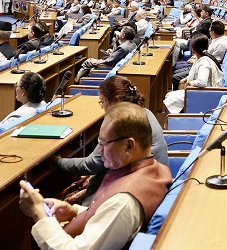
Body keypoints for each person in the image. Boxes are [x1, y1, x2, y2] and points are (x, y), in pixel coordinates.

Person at [21, 102, 172, 249]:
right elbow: (108, 218)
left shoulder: (123, 201)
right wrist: (74, 212)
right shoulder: (157, 169)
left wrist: (38, 213)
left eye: (104, 143)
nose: (100, 150)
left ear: (129, 146)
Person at [164, 33, 224, 113]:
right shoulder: (200, 57)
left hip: (202, 94)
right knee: (169, 95)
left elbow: (202, 82)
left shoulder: (204, 62)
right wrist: (184, 80)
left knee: (170, 99)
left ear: (193, 48)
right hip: (197, 91)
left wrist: (189, 83)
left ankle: (175, 119)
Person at [0, 71, 47, 137]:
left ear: (23, 92)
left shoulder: (18, 115)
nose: (16, 88)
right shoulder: (43, 105)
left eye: (17, 85)